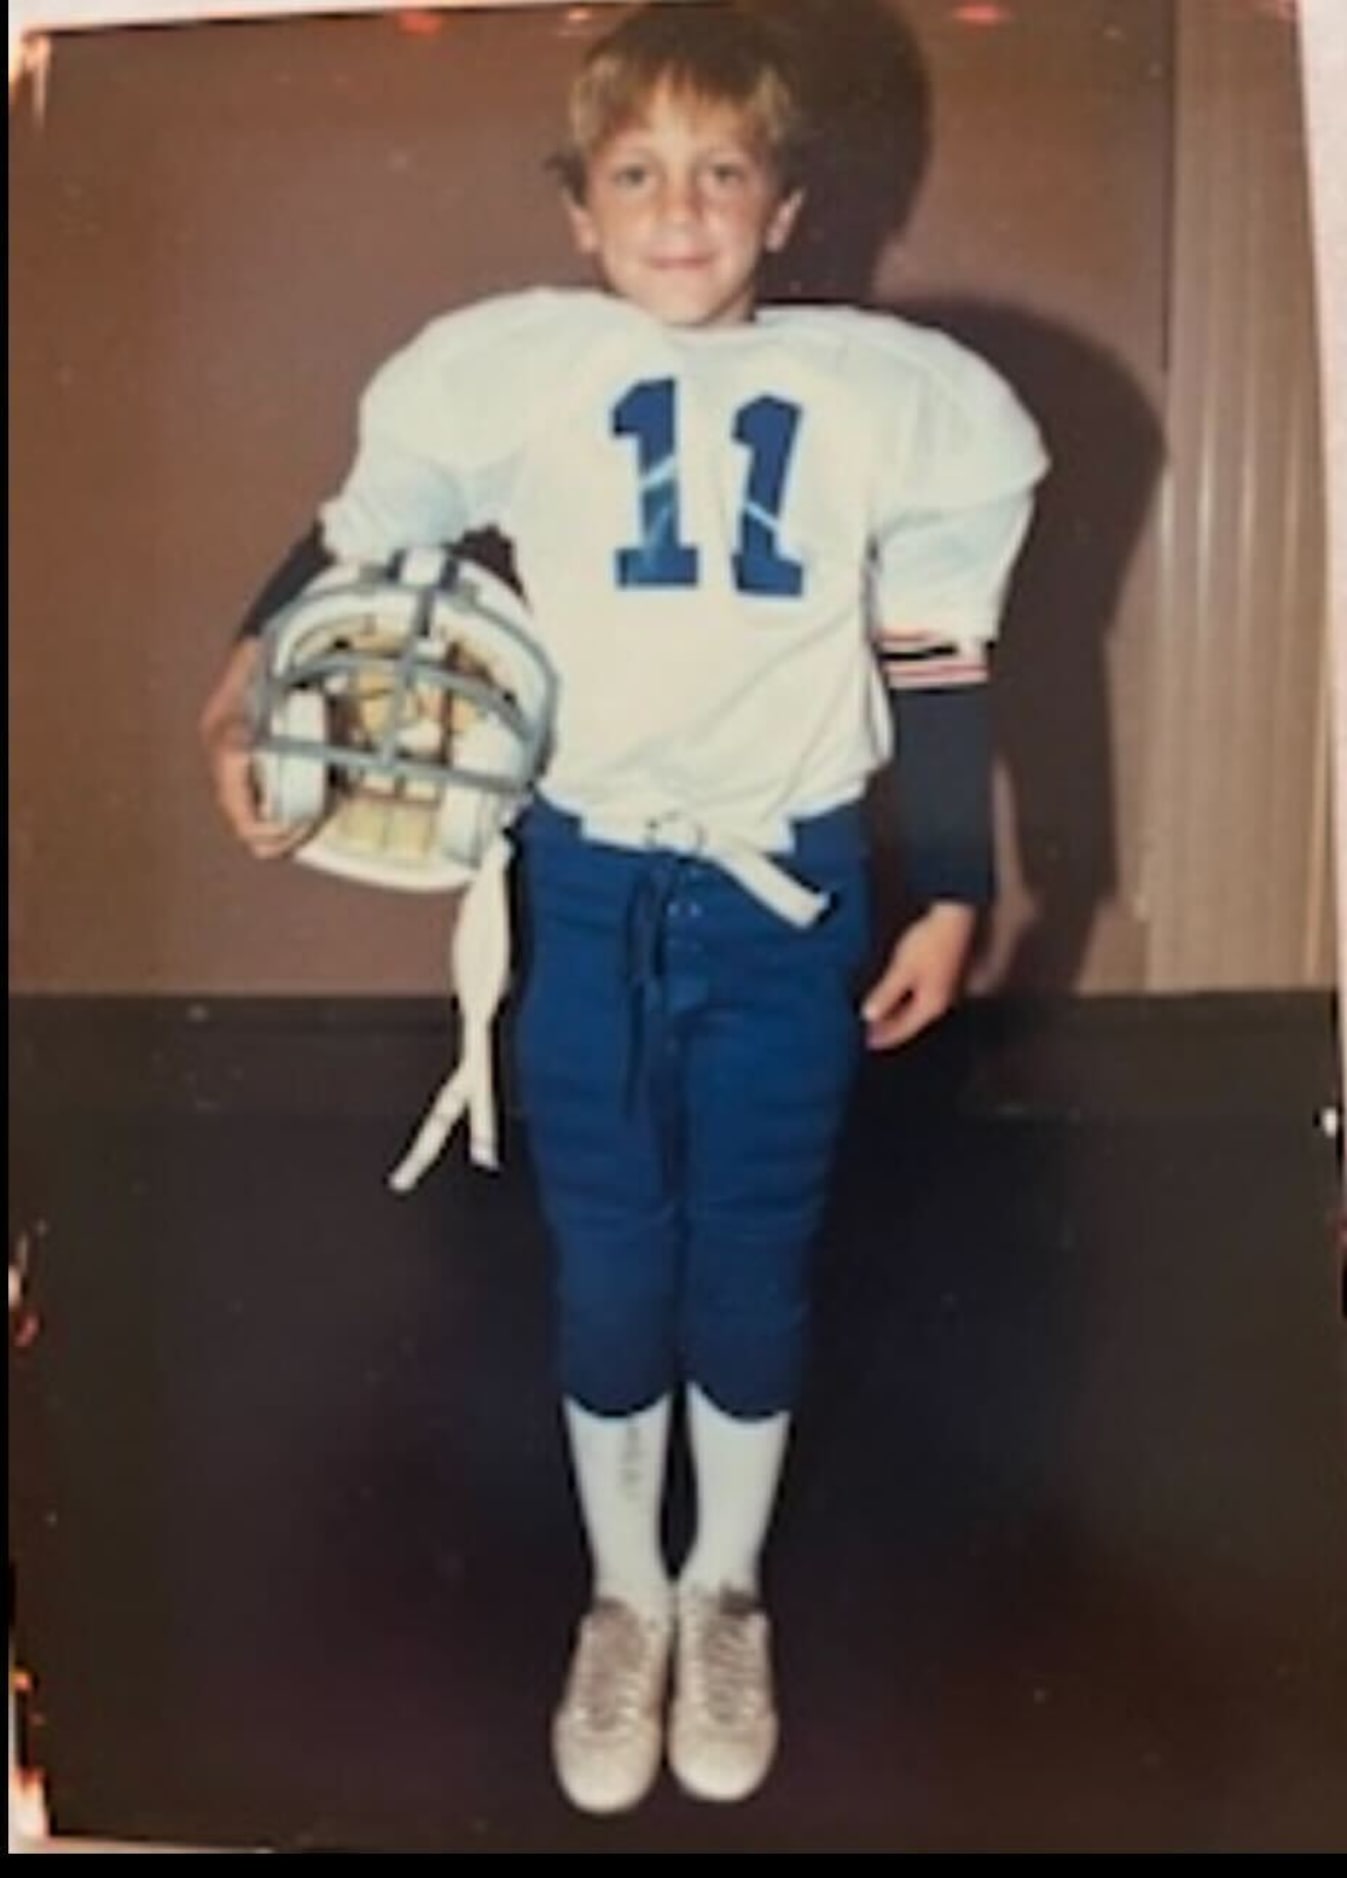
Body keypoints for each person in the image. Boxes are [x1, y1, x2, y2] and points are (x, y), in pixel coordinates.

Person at [198, 0, 1047, 1819]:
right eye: (638, 172)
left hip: (786, 886)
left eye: (721, 170)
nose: (681, 208)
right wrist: (244, 671)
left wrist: (958, 880)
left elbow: (940, 657)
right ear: (577, 207)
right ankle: (622, 1593)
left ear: (788, 203)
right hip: (580, 882)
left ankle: (723, 1587)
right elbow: (366, 538)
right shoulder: (513, 373)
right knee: (607, 1262)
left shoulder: (888, 402)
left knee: (750, 1248)